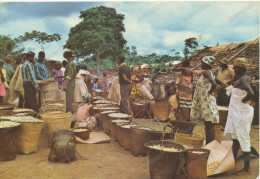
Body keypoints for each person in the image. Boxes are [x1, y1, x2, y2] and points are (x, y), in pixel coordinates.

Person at [224, 58, 254, 176]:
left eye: (235, 68)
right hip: (238, 113)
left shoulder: (243, 78)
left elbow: (251, 92)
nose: (234, 70)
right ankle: (233, 162)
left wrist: (244, 101)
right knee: (236, 138)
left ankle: (247, 169)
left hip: (242, 113)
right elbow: (233, 83)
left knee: (243, 138)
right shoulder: (241, 77)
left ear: (240, 68)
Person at [190, 56, 225, 144]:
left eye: (202, 63)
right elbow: (223, 84)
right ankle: (209, 143)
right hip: (207, 100)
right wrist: (212, 91)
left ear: (205, 64)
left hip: (206, 100)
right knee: (208, 123)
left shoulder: (206, 72)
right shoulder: (211, 73)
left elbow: (214, 83)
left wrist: (209, 91)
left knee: (209, 124)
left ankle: (209, 144)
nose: (201, 64)